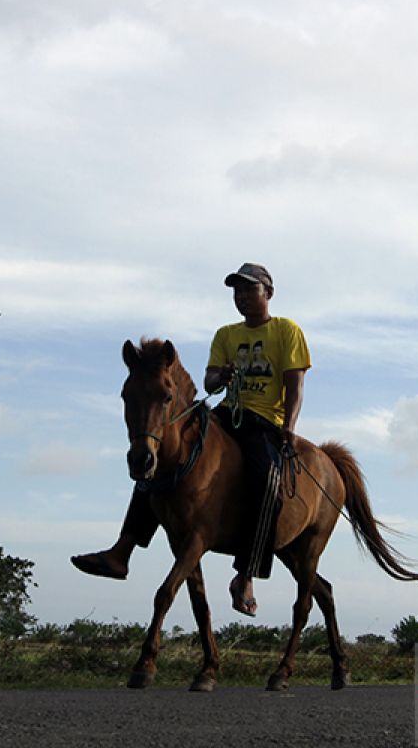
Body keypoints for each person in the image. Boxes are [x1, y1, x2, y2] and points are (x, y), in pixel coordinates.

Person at [70, 263, 311, 617]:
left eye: (249, 290)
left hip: (264, 422)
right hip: (227, 413)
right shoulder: (226, 334)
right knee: (160, 458)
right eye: (237, 291)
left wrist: (288, 427)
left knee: (266, 478)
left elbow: (295, 384)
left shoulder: (287, 331)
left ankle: (246, 574)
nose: (242, 296)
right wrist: (221, 376)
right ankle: (122, 551)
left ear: (268, 293)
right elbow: (210, 382)